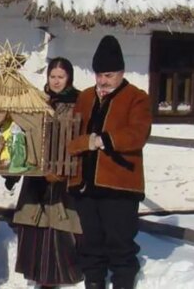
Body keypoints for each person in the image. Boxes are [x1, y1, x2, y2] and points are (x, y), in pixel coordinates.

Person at [68, 36, 152, 289]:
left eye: (109, 75)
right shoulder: (84, 98)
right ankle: (94, 283)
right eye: (99, 75)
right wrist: (82, 144)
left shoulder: (136, 98)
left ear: (121, 72)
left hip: (120, 186)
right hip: (86, 186)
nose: (103, 81)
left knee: (120, 245)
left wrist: (103, 140)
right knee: (90, 244)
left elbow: (138, 133)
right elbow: (73, 136)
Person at [9, 57, 83, 287]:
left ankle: (59, 278)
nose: (57, 81)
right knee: (36, 225)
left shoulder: (78, 102)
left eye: (61, 77)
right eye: (53, 77)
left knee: (60, 225)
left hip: (64, 174)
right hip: (37, 175)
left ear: (69, 77)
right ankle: (39, 277)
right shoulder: (38, 101)